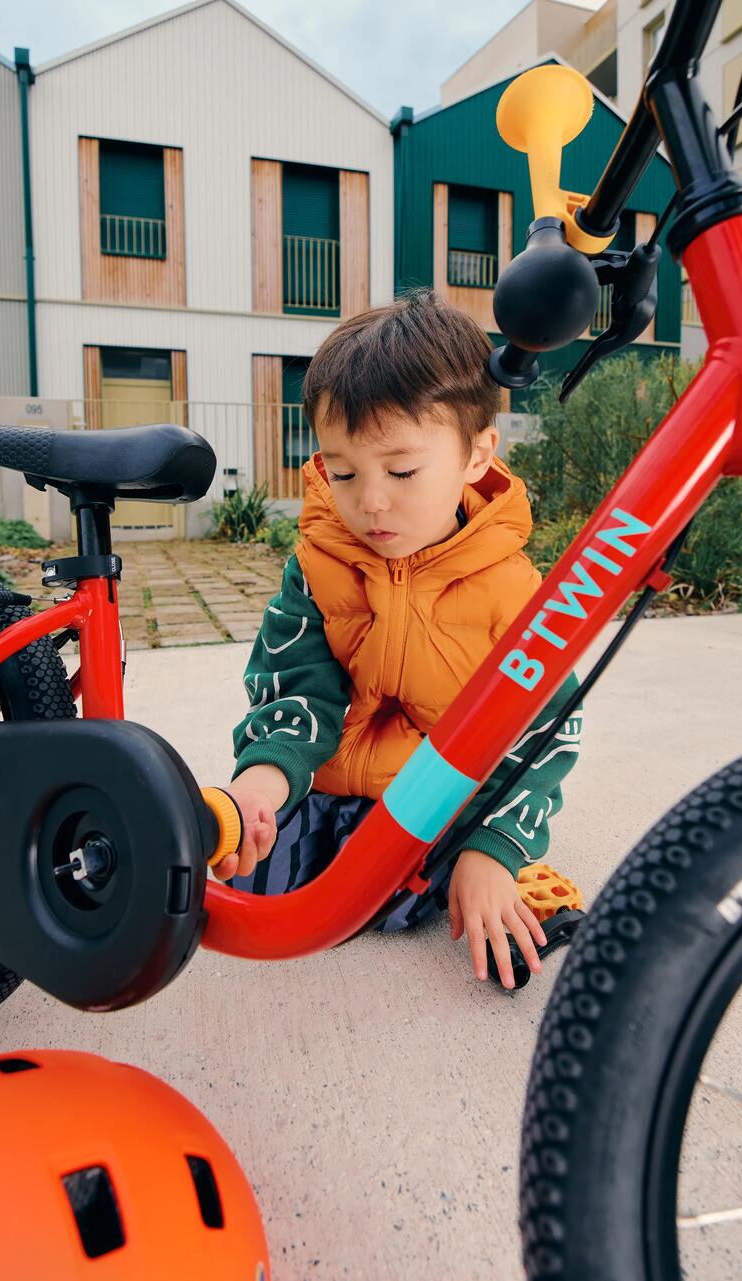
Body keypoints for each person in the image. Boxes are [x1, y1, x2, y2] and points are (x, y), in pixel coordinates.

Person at [217, 288, 585, 989]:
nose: (370, 501)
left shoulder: (513, 592)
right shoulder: (319, 565)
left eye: (402, 470)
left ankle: (504, 869)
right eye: (343, 471)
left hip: (440, 811)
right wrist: (257, 785)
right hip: (327, 790)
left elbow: (546, 732)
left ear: (477, 455)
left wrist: (495, 846)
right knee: (228, 884)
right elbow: (295, 685)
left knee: (491, 900)